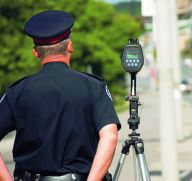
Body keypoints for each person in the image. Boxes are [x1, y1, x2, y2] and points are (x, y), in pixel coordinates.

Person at [0, 10, 121, 181]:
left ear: (36, 52)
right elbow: (110, 135)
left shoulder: (18, 91)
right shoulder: (93, 86)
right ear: (70, 46)